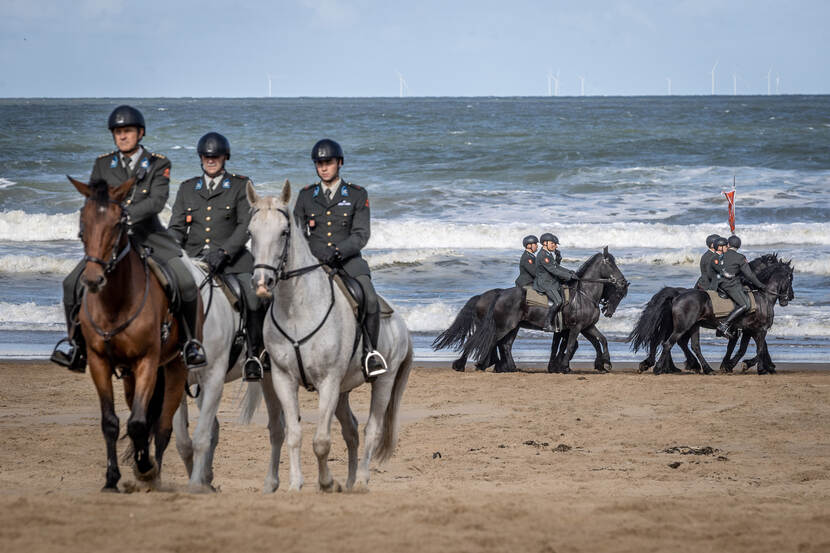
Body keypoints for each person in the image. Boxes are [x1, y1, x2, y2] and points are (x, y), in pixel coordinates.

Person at [51, 105, 206, 372]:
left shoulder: (158, 163)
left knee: (184, 281)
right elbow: (94, 202)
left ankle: (191, 344)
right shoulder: (103, 164)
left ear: (140, 133)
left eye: (128, 131)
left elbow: (157, 201)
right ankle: (75, 346)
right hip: (110, 241)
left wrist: (123, 216)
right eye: (118, 132)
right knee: (70, 284)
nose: (122, 136)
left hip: (149, 237)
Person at [167, 132, 267, 382]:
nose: (210, 160)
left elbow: (246, 224)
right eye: (206, 156)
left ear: (225, 157)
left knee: (254, 297)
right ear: (201, 158)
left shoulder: (240, 185)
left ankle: (256, 355)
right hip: (193, 259)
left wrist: (224, 252)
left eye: (216, 156)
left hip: (233, 261)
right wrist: (170, 251)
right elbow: (177, 227)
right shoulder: (188, 188)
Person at [293, 139, 387, 378]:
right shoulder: (305, 196)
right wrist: (310, 254)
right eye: (319, 163)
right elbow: (295, 234)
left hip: (348, 261)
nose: (324, 167)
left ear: (340, 163)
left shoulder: (357, 194)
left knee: (369, 297)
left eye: (329, 162)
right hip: (312, 263)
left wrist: (336, 252)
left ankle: (370, 353)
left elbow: (360, 235)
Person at [712, 235, 766, 339]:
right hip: (729, 284)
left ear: (728, 244)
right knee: (745, 305)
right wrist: (760, 285)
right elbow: (749, 275)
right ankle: (724, 325)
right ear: (739, 246)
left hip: (718, 282)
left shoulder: (721, 254)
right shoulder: (740, 257)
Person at [533, 233, 579, 332]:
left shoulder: (548, 254)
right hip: (545, 283)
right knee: (558, 301)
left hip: (551, 281)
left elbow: (557, 267)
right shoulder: (542, 255)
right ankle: (547, 324)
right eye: (553, 243)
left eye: (555, 244)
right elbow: (553, 270)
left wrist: (569, 271)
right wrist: (569, 277)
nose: (556, 246)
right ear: (545, 243)